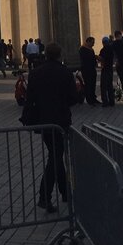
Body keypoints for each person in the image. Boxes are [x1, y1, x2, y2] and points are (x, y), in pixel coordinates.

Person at [24, 42, 78, 213]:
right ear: (59, 55)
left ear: (45, 54)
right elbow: (73, 98)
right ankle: (44, 197)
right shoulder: (65, 72)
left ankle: (64, 193)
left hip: (43, 121)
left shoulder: (35, 73)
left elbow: (29, 97)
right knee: (55, 157)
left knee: (56, 155)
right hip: (60, 121)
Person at [78, 36, 98, 106]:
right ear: (88, 42)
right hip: (86, 69)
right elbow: (86, 59)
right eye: (92, 43)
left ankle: (93, 98)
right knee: (88, 84)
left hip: (92, 69)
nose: (93, 44)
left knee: (93, 84)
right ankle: (89, 99)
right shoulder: (82, 49)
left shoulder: (91, 49)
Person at [98, 36, 116, 107]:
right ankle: (112, 101)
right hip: (110, 69)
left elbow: (102, 58)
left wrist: (96, 57)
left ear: (103, 43)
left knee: (103, 86)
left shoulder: (104, 49)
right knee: (110, 86)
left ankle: (105, 102)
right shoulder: (111, 49)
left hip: (105, 69)